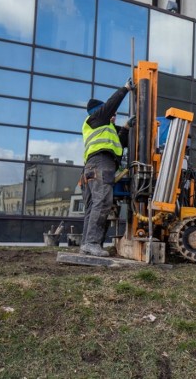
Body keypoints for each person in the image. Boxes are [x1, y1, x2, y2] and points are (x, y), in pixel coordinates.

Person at [80, 78, 135, 257]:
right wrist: (125, 89)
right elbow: (111, 105)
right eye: (110, 113)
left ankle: (87, 244)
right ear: (100, 111)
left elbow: (119, 144)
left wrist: (126, 128)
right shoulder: (95, 118)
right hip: (100, 163)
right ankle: (92, 243)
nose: (114, 116)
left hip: (93, 166)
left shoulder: (104, 127)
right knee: (102, 202)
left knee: (93, 206)